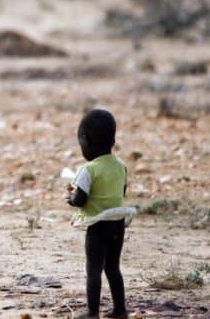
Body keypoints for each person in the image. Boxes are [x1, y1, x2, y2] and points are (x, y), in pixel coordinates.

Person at [66, 109, 130, 319]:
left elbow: (80, 200)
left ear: (86, 140)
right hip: (118, 223)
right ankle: (120, 309)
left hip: (98, 225)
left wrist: (71, 199)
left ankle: (92, 312)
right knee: (113, 268)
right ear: (112, 139)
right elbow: (121, 192)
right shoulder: (121, 166)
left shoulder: (88, 170)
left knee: (93, 269)